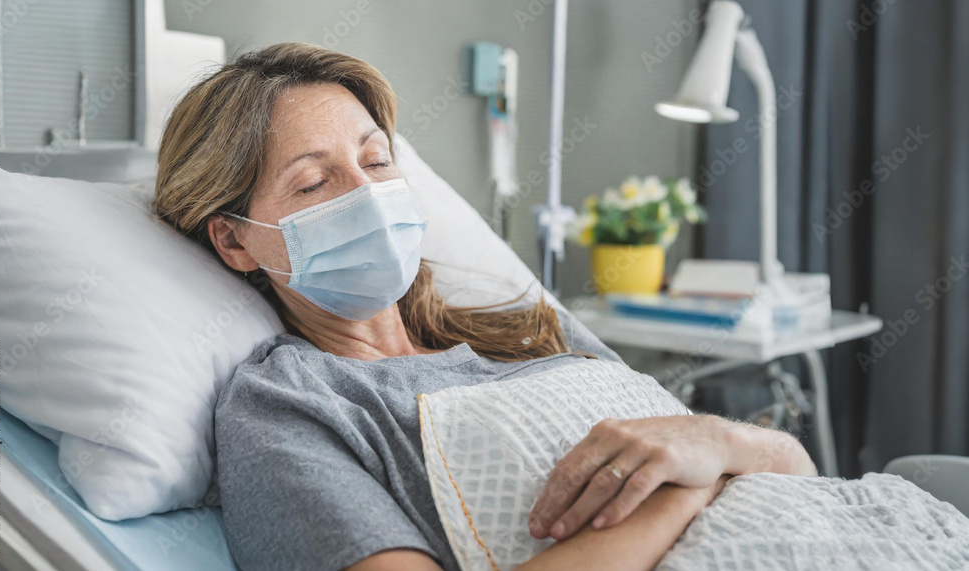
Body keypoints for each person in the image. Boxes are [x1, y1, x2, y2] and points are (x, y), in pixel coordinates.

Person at [152, 42, 817, 571]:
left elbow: (800, 468)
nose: (367, 194)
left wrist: (719, 438)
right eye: (314, 180)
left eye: (376, 160)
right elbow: (690, 474)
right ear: (235, 240)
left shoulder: (525, 327)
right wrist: (687, 489)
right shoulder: (289, 405)